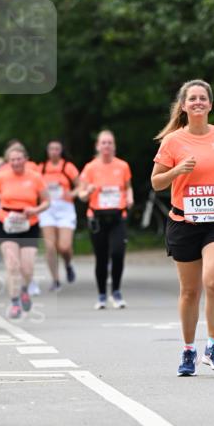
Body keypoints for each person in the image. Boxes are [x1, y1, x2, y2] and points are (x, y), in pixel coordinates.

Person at [151, 79, 214, 376]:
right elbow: (156, 182)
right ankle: (189, 350)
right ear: (185, 105)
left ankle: (213, 346)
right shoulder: (173, 141)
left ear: (210, 104)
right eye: (193, 99)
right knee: (190, 291)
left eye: (203, 98)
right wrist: (177, 170)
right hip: (184, 222)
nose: (198, 102)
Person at [0, 143, 49, 318]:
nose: (15, 163)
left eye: (19, 159)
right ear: (8, 161)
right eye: (12, 160)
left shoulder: (35, 177)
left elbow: (46, 201)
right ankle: (14, 303)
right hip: (6, 224)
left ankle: (25, 290)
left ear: (26, 159)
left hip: (29, 224)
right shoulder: (1, 177)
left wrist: (35, 210)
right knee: (12, 265)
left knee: (27, 268)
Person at [78, 130, 133, 310]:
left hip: (118, 216)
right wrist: (88, 191)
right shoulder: (90, 168)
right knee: (101, 258)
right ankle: (102, 294)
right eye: (103, 143)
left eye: (110, 142)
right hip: (97, 218)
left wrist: (130, 198)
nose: (107, 146)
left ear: (114, 146)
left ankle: (116, 291)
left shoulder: (122, 166)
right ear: (98, 146)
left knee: (117, 254)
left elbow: (128, 187)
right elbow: (81, 195)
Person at [38, 140, 79, 290]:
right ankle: (55, 280)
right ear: (47, 151)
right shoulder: (41, 168)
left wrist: (72, 194)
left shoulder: (67, 167)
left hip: (65, 208)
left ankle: (68, 263)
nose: (54, 151)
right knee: (50, 246)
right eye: (51, 149)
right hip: (47, 208)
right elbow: (35, 186)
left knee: (64, 247)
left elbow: (80, 186)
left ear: (61, 151)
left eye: (57, 149)